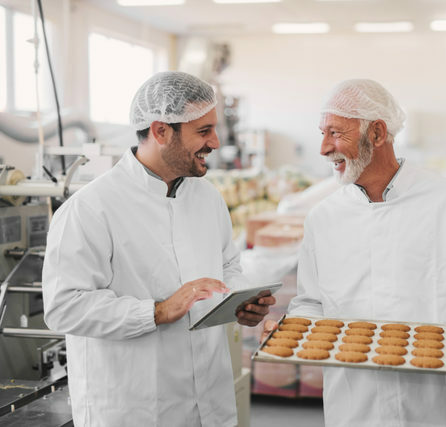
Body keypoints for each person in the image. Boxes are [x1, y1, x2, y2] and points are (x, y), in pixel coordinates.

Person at [271, 79, 446, 427]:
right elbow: (311, 303)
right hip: (356, 404)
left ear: (378, 133)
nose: (323, 148)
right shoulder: (323, 218)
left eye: (336, 133)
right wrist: (291, 330)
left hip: (437, 406)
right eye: (322, 133)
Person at [42, 71, 275, 427]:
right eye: (203, 131)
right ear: (160, 130)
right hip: (134, 407)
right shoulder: (92, 208)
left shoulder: (207, 197)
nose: (215, 142)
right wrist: (157, 311)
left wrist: (239, 303)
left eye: (214, 129)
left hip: (208, 402)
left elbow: (227, 267)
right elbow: (64, 307)